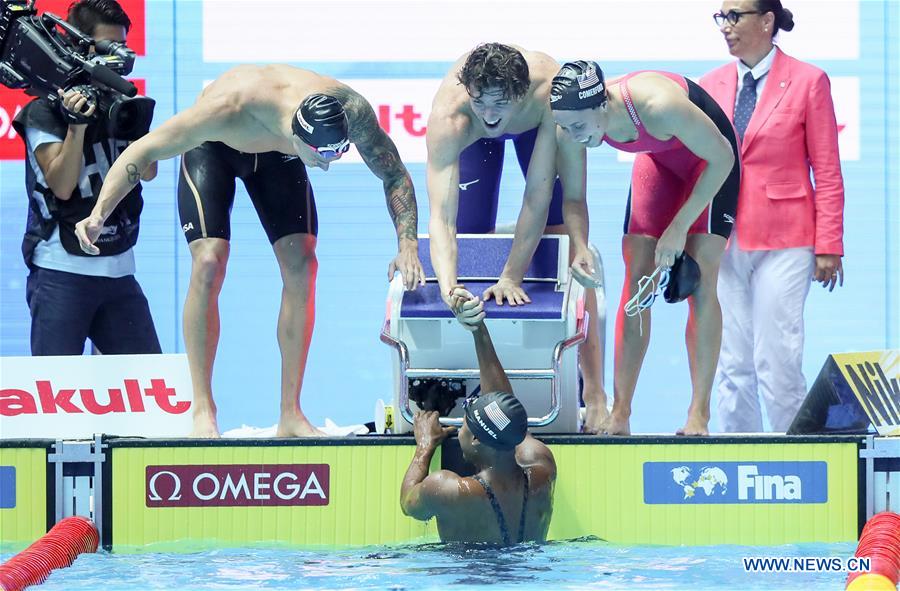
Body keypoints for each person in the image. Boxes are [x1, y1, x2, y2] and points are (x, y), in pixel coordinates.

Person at [74, 65, 426, 437]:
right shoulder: (224, 110)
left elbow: (393, 172)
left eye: (334, 156)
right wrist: (98, 214)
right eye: (321, 156)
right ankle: (203, 409)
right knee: (209, 261)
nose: (325, 167)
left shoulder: (349, 110)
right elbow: (142, 151)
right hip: (214, 149)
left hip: (279, 155)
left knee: (303, 262)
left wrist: (407, 243)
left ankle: (291, 414)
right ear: (299, 134)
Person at [551, 61, 741, 435]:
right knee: (636, 278)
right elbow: (573, 197)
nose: (572, 136)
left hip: (711, 165)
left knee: (700, 278)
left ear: (601, 104)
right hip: (660, 163)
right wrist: (580, 247)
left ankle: (698, 415)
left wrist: (679, 226)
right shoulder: (568, 127)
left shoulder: (657, 103)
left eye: (578, 126)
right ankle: (620, 413)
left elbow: (723, 157)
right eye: (565, 126)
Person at [426, 42, 609, 432]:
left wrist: (512, 275)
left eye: (499, 106)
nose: (490, 116)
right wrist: (447, 287)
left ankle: (594, 392)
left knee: (566, 247)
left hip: (535, 125)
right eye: (481, 103)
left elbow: (537, 196)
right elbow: (441, 218)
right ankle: (479, 384)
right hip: (475, 138)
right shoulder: (452, 115)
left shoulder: (548, 95)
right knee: (472, 248)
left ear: (520, 94)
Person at [701, 1, 845, 432]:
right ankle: (737, 459)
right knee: (731, 361)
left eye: (735, 16)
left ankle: (796, 459)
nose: (725, 26)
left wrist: (829, 245)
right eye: (720, 17)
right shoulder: (710, 84)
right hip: (722, 239)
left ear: (767, 22)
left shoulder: (808, 81)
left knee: (778, 359)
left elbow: (828, 168)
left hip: (787, 238)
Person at [13, 0, 160, 357]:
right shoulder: (42, 110)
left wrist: (133, 122)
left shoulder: (124, 105)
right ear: (79, 45)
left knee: (145, 383)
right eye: (109, 49)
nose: (118, 60)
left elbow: (150, 171)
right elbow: (61, 186)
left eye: (122, 48)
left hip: (120, 270)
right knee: (55, 392)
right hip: (61, 272)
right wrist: (77, 127)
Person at [400, 286, 556, 544]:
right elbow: (506, 411)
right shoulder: (543, 469)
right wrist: (478, 329)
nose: (460, 426)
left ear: (475, 440)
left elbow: (408, 503)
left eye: (465, 422)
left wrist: (424, 446)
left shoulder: (446, 489)